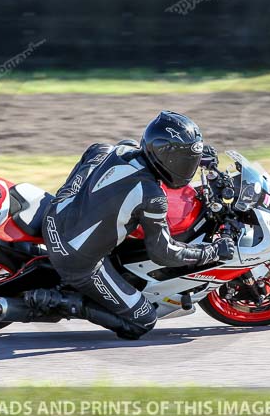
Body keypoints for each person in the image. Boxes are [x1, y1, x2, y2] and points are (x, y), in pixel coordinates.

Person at [25, 111, 235, 339]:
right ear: (166, 157)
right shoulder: (151, 197)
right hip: (76, 259)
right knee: (143, 320)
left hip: (57, 211)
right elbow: (164, 254)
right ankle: (57, 302)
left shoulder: (125, 149)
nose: (188, 166)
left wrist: (197, 156)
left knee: (101, 149)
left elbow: (93, 151)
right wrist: (211, 252)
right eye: (184, 160)